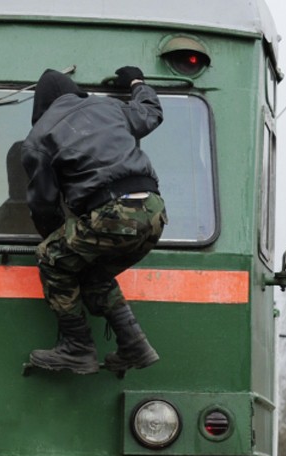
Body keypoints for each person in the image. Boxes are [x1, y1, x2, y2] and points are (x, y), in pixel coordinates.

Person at [20, 67, 168, 374]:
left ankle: (77, 347)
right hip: (154, 213)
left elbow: (43, 205)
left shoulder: (39, 137)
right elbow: (151, 113)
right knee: (92, 275)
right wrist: (137, 82)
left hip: (113, 212)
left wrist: (56, 237)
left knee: (51, 257)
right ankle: (135, 345)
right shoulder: (109, 107)